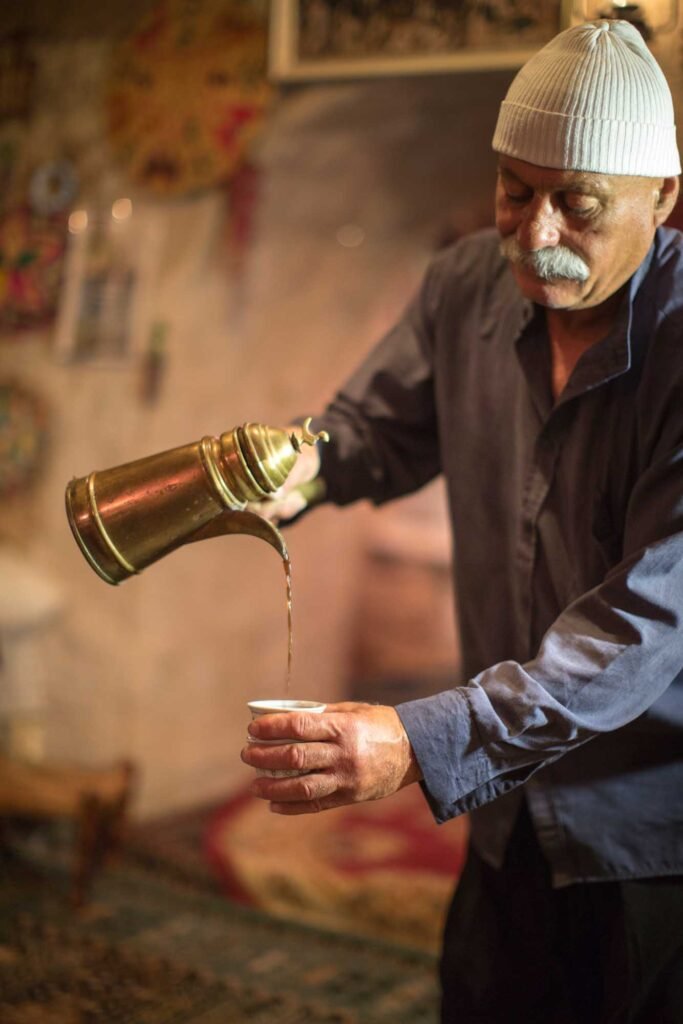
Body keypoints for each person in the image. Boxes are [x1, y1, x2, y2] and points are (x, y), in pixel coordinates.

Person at [241, 19, 683, 1024]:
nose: (534, 235)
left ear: (660, 196)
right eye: (512, 192)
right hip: (504, 818)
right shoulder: (464, 288)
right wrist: (295, 467)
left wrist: (417, 740)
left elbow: (643, 628)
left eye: (575, 205)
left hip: (649, 835)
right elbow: (371, 430)